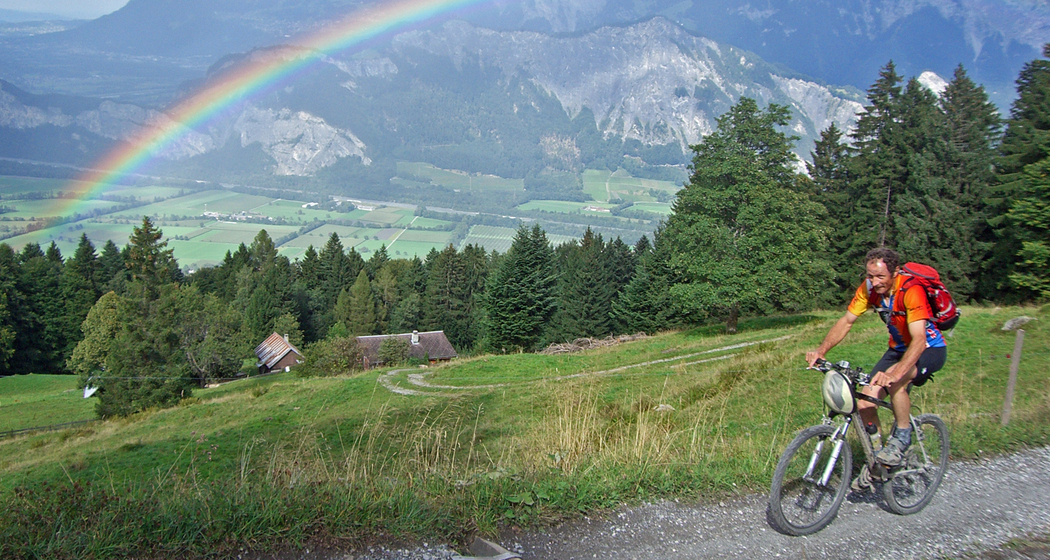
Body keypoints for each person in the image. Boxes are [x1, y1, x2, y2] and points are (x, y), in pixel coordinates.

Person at [805, 247, 947, 471]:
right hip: (897, 350)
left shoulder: (911, 290)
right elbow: (847, 321)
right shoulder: (869, 289)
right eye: (870, 276)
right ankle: (879, 458)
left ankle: (902, 436)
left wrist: (895, 372)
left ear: (895, 272)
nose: (875, 281)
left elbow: (919, 340)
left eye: (881, 276)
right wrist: (821, 351)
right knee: (864, 402)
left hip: (929, 349)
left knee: (897, 381)